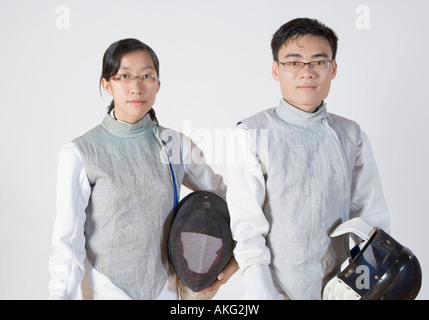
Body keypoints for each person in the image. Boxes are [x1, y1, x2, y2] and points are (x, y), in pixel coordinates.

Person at [48, 38, 237, 300]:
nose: (136, 87)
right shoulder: (80, 152)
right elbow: (68, 242)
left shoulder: (175, 145)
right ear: (107, 84)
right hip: (105, 289)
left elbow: (230, 202)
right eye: (124, 76)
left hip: (164, 290)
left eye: (146, 76)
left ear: (158, 84)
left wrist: (236, 259)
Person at [226, 18, 390, 300]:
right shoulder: (251, 134)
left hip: (343, 288)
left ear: (333, 68)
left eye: (318, 61)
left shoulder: (351, 134)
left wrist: (363, 288)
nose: (307, 73)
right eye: (294, 62)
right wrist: (269, 297)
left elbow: (372, 220)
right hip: (280, 289)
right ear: (276, 70)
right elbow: (248, 231)